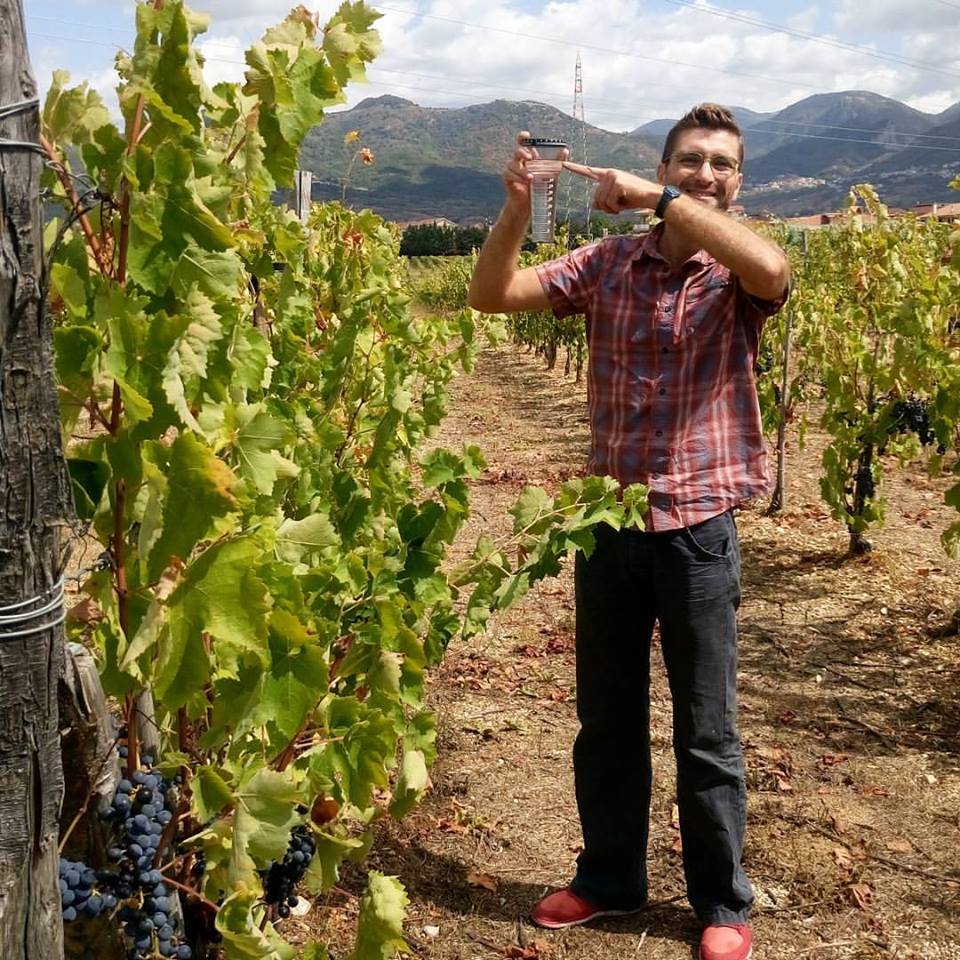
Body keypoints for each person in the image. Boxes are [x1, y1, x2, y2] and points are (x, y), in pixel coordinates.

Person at [468, 104, 789, 960]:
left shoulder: (735, 276)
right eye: (690, 161)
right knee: (605, 720)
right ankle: (610, 878)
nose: (707, 174)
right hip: (609, 530)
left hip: (699, 536)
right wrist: (511, 206)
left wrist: (657, 199)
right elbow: (491, 294)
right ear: (668, 163)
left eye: (722, 164)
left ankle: (721, 904)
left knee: (707, 731)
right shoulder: (608, 264)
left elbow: (772, 265)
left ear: (738, 182)